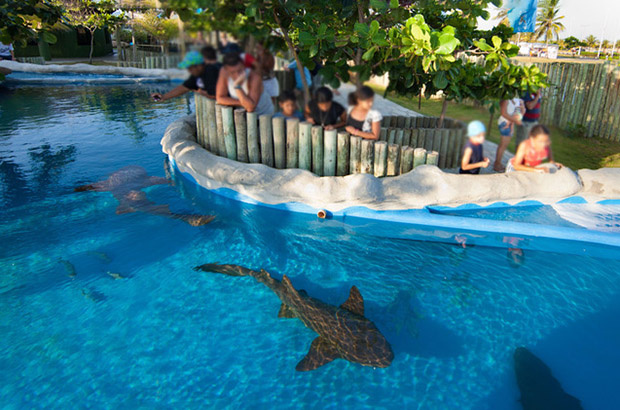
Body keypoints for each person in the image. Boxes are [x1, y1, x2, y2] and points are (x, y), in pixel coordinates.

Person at [151, 50, 220, 102]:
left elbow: (214, 95)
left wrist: (198, 91)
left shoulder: (212, 72)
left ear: (199, 66)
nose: (189, 71)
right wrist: (164, 96)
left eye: (190, 68)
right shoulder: (198, 75)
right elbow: (185, 87)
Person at [494, 96, 525, 172]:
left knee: (504, 145)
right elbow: (503, 113)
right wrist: (514, 120)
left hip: (510, 123)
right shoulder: (506, 99)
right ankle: (497, 165)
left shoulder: (516, 99)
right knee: (503, 145)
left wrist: (513, 122)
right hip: (504, 123)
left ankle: (498, 163)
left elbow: (518, 112)